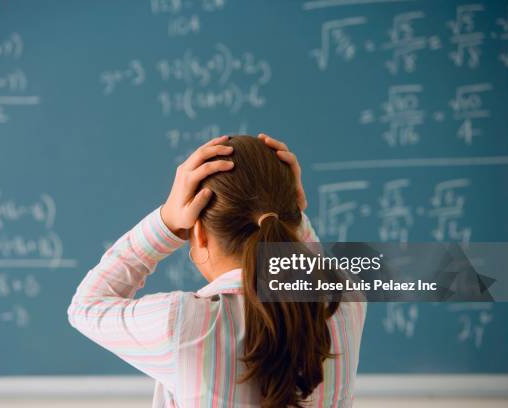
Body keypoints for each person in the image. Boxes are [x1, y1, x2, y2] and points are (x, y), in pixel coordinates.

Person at [67, 134, 367, 407]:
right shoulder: (345, 302)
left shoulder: (184, 324)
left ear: (198, 232)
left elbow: (86, 306)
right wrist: (293, 216)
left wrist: (166, 222)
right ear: (290, 218)